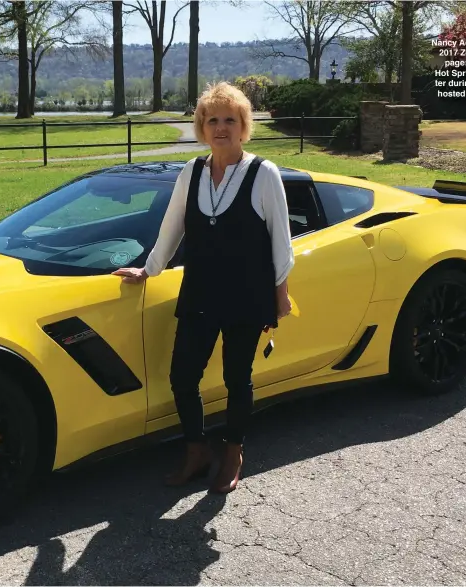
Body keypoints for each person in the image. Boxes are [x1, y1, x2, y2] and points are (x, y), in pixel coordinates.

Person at [112, 82, 294, 494]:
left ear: (244, 126)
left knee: (236, 377)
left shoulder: (263, 173)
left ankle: (232, 451)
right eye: (213, 120)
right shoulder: (191, 172)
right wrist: (149, 269)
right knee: (182, 376)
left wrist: (280, 294)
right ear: (202, 126)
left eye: (231, 119)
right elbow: (172, 227)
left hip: (247, 295)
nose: (221, 127)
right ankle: (196, 450)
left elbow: (281, 240)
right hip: (200, 292)